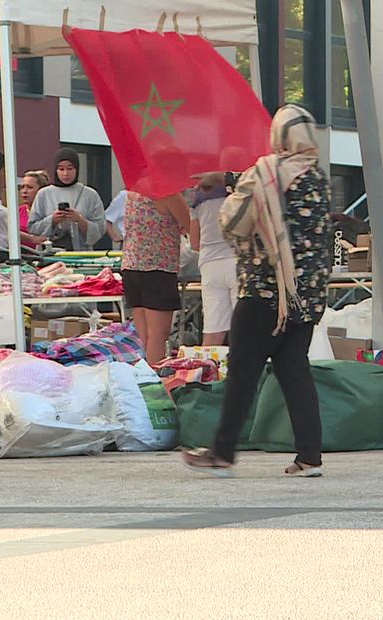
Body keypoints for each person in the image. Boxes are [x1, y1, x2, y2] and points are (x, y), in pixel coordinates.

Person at [182, 104, 332, 478]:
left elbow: (232, 220)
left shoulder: (266, 173)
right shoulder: (317, 179)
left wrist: (227, 185)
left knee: (243, 374)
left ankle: (222, 453)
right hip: (304, 296)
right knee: (295, 370)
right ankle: (309, 456)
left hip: (263, 292)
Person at [121, 191, 190, 365]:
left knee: (145, 336)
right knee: (158, 335)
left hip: (131, 266)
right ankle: (155, 379)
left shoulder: (132, 194)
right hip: (158, 267)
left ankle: (144, 374)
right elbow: (191, 224)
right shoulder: (169, 195)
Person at [189, 173, 238, 346]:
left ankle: (206, 369)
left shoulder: (197, 204)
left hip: (209, 264)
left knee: (213, 328)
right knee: (243, 327)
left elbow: (194, 243)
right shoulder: (238, 197)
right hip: (236, 262)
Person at [27, 148, 106, 251]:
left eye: (70, 168)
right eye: (61, 169)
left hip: (81, 255)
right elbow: (32, 227)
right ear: (56, 170)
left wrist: (79, 219)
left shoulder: (90, 194)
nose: (65, 174)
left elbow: (100, 228)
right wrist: (52, 220)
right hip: (49, 255)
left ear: (77, 169)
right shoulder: (44, 194)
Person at [19, 170, 49, 249]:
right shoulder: (16, 212)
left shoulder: (48, 212)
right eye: (22, 187)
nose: (24, 191)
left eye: (30, 187)